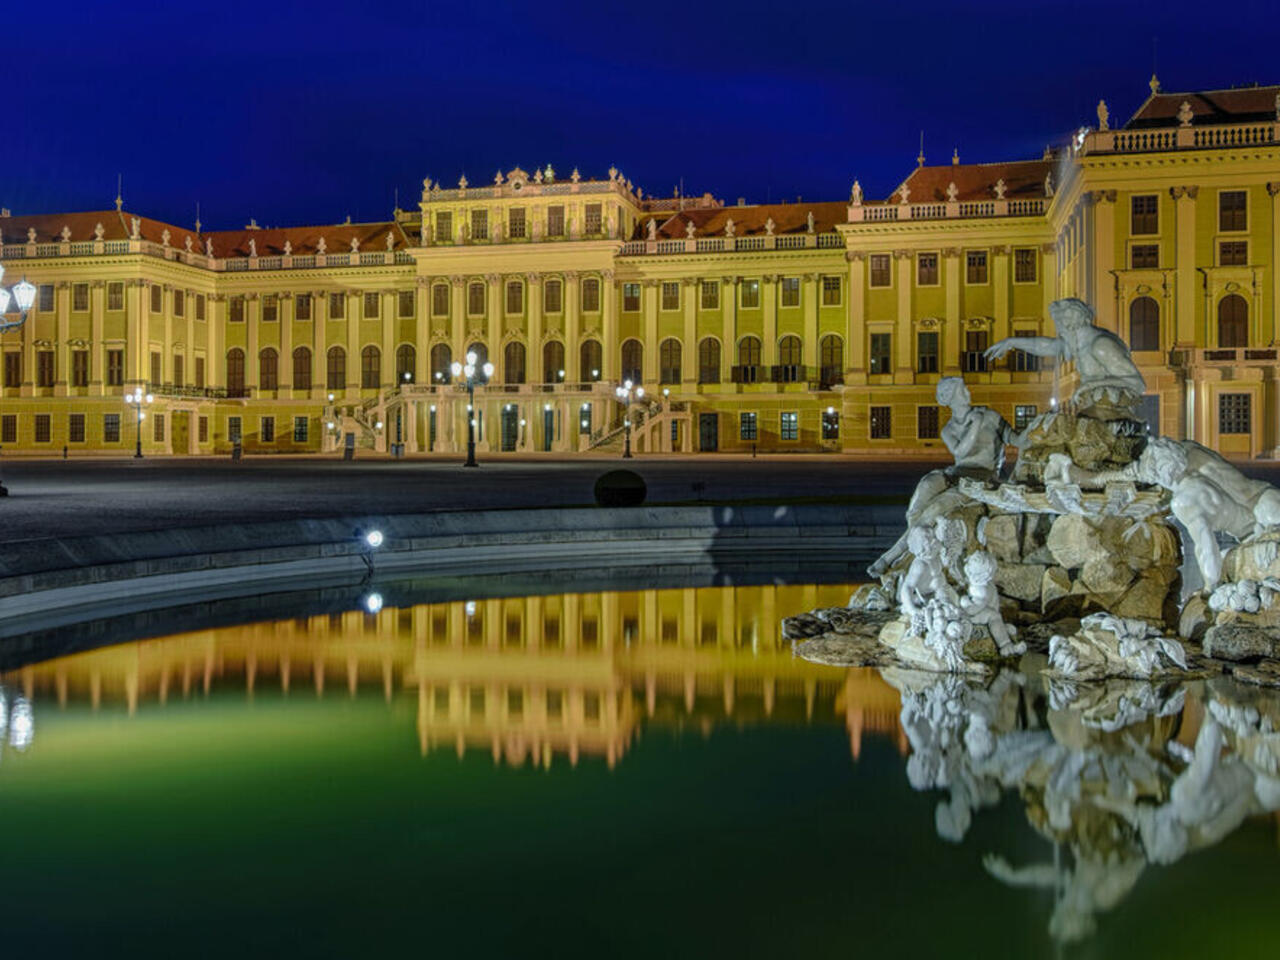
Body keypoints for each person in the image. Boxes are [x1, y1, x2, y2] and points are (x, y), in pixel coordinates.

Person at [868, 377, 1015, 578]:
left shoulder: (989, 416)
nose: (968, 393)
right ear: (950, 398)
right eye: (963, 390)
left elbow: (1016, 439)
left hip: (980, 480)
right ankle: (917, 547)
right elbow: (961, 450)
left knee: (935, 508)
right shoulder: (948, 429)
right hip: (955, 473)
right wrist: (974, 425)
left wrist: (1038, 430)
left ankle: (893, 556)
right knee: (923, 492)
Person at [984, 298, 1144, 412]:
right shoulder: (1078, 344)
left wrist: (1091, 385)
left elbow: (1137, 383)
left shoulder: (1100, 345)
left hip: (1113, 413)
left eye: (1061, 324)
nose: (1059, 329)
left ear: (1075, 323)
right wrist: (1011, 342)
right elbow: (1045, 346)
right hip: (1093, 408)